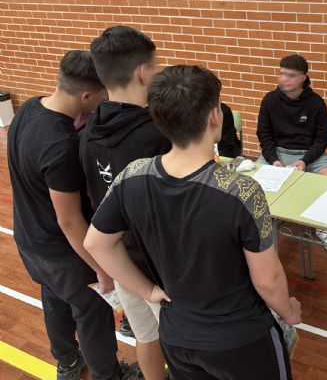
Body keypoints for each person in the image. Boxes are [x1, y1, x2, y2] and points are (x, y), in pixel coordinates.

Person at [84, 65, 301, 380]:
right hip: (241, 339)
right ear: (214, 117)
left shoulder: (132, 175)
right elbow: (268, 280)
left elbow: (95, 243)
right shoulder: (241, 191)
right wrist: (289, 311)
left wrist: (148, 290)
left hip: (178, 335)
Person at [7, 50, 141, 380]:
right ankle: (108, 375)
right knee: (92, 312)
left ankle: (67, 361)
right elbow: (68, 220)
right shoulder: (61, 144)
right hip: (64, 253)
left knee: (54, 299)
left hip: (29, 240)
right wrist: (101, 269)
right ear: (86, 96)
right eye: (102, 95)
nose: (105, 100)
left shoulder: (28, 108)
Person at [80, 26, 171, 380]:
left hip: (120, 261)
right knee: (180, 345)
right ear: (142, 72)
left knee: (146, 336)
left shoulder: (89, 130)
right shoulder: (154, 135)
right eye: (155, 66)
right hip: (159, 267)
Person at [257, 54, 327, 250]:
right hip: (277, 153)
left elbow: (323, 138)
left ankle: (325, 228)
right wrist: (274, 160)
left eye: (290, 75)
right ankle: (259, 228)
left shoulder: (316, 103)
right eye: (281, 73)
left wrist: (305, 160)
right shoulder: (269, 100)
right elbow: (264, 134)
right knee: (250, 183)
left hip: (310, 154)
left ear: (303, 77)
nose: (283, 79)